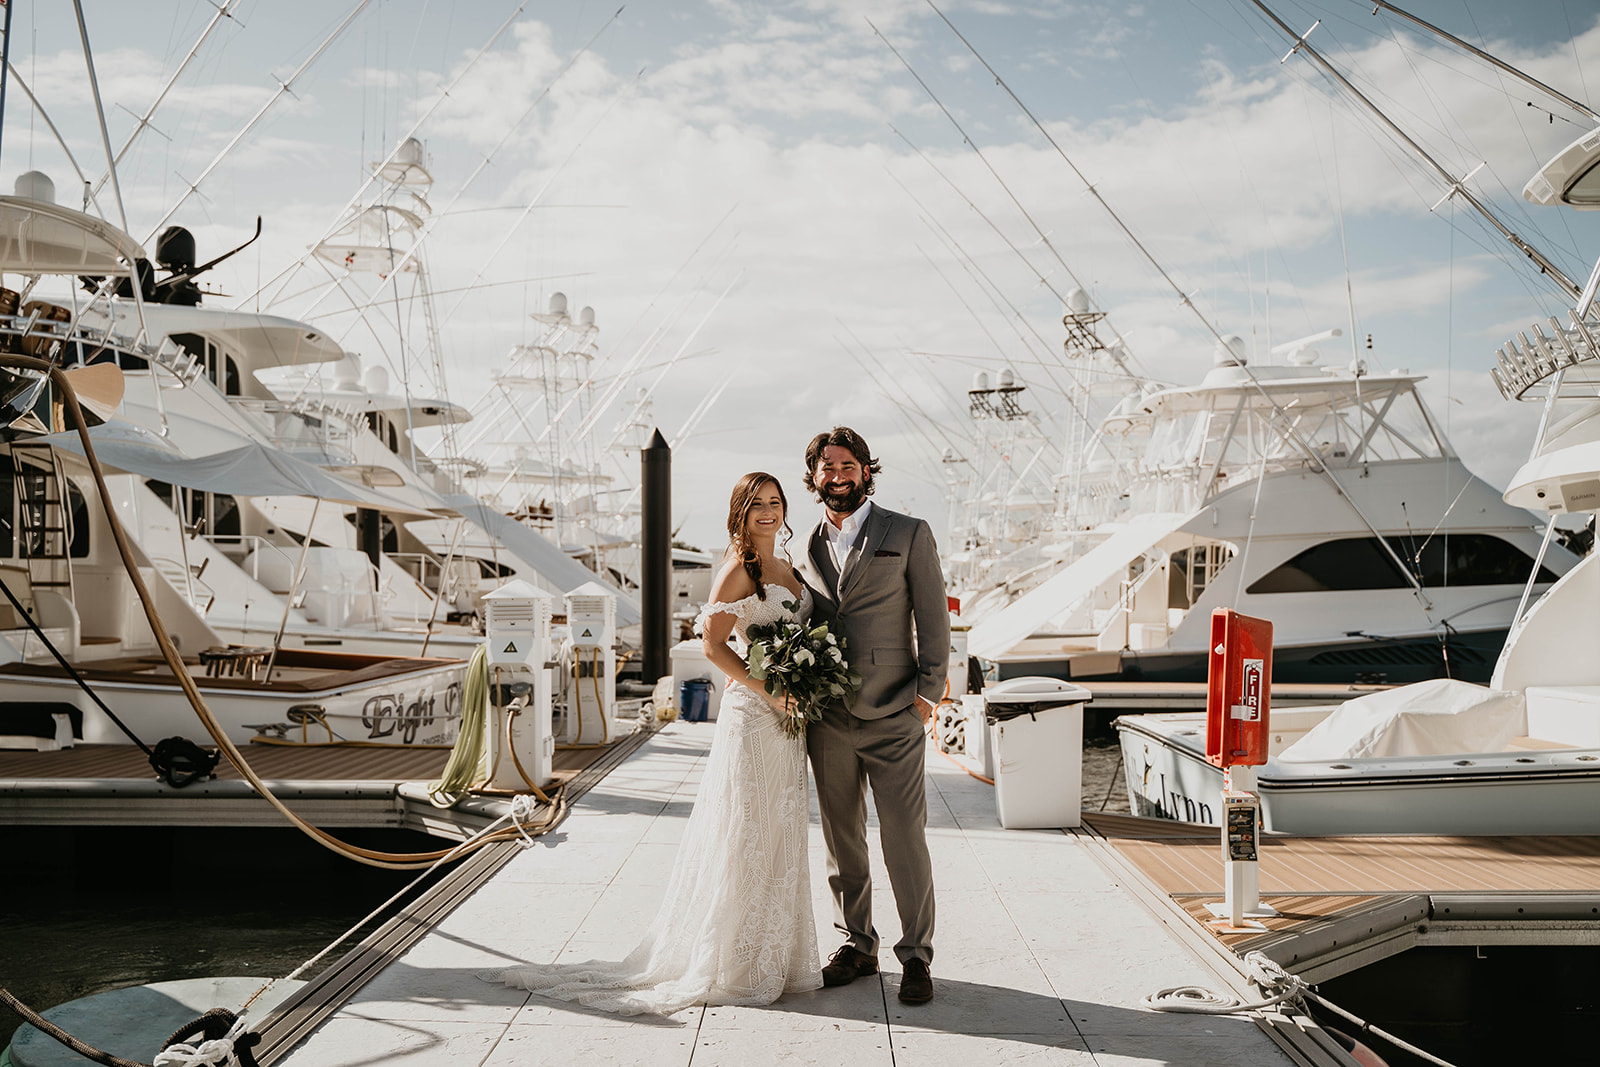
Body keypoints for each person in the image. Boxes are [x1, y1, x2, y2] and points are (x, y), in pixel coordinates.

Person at [481, 472, 820, 1015]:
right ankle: (736, 959)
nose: (767, 512)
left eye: (775, 502)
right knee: (748, 831)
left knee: (778, 828)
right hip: (755, 715)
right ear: (739, 511)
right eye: (756, 504)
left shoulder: (789, 567)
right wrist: (772, 691)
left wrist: (799, 685)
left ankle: (773, 954)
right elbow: (711, 646)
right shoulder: (739, 570)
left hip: (786, 719)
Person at [797, 426, 948, 1005]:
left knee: (905, 837)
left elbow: (934, 621)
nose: (837, 475)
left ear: (866, 469)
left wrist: (926, 698)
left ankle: (916, 955)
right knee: (841, 838)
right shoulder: (802, 545)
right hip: (827, 719)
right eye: (826, 467)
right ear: (814, 477)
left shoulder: (908, 532)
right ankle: (858, 945)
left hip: (895, 714)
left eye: (847, 464)